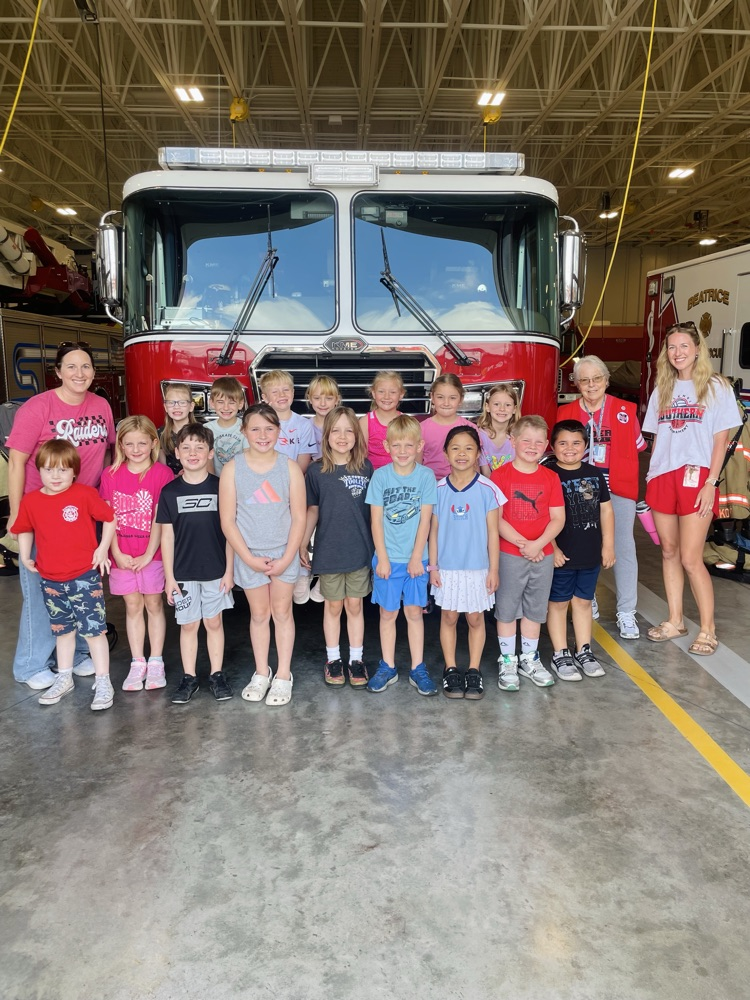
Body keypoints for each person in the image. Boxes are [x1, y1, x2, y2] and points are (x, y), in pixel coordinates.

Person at [6, 341, 116, 689]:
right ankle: (30, 664)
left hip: (85, 516)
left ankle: (81, 653)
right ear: (57, 372)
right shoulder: (38, 408)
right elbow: (17, 464)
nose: (79, 373)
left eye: (86, 366)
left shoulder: (101, 405)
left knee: (85, 590)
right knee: (42, 592)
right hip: (44, 517)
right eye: (71, 366)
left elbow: (111, 453)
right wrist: (15, 514)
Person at [643, 322, 739, 656]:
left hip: (697, 477)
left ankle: (708, 629)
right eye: (671, 347)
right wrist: (651, 477)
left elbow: (720, 442)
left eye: (684, 346)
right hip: (662, 477)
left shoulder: (716, 387)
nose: (678, 353)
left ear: (698, 349)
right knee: (668, 551)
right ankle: (675, 620)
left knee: (690, 557)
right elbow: (657, 440)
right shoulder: (662, 388)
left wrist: (711, 484)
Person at [12, 440, 117, 710]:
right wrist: (25, 556)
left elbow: (109, 517)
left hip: (83, 576)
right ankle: (65, 677)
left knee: (94, 632)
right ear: (39, 471)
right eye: (48, 470)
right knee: (63, 631)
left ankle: (104, 681)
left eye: (62, 470)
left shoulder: (83, 495)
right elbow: (25, 528)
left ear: (74, 471)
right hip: (50, 579)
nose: (55, 476)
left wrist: (103, 549)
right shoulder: (32, 500)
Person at [219, 404, 306, 707]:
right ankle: (261, 671)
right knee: (259, 615)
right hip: (250, 555)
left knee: (282, 613)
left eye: (269, 428)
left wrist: (287, 556)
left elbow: (299, 517)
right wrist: (248, 558)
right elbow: (227, 520)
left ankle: (283, 674)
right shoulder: (233, 469)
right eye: (255, 428)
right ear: (243, 431)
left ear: (279, 432)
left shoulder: (289, 467)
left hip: (284, 552)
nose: (262, 435)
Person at [557, 355, 646, 639]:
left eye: (597, 379)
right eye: (584, 380)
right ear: (577, 384)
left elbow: (638, 447)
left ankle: (626, 612)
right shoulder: (565, 411)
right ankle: (587, 597)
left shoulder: (625, 410)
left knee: (623, 548)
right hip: (576, 489)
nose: (591, 385)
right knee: (579, 544)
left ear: (607, 380)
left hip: (616, 489)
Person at [157, 423, 235, 703]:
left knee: (214, 622)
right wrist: (169, 577)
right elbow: (166, 537)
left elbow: (230, 533)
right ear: (176, 452)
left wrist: (229, 570)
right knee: (189, 625)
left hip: (215, 571)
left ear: (211, 452)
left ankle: (216, 674)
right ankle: (189, 677)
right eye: (186, 448)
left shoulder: (221, 487)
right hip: (183, 573)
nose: (193, 453)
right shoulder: (169, 493)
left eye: (200, 447)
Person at [99, 415, 174, 691]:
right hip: (122, 555)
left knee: (154, 605)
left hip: (151, 556)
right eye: (129, 444)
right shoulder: (110, 475)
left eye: (142, 443)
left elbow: (159, 519)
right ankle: (137, 661)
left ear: (153, 443)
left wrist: (149, 554)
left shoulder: (162, 475)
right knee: (132, 606)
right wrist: (115, 552)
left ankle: (156, 661)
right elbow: (109, 516)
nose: (136, 449)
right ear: (121, 444)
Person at [300, 406, 374, 687]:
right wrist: (303, 542)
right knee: (332, 606)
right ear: (326, 435)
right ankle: (333, 659)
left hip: (359, 550)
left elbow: (374, 512)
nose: (342, 436)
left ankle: (356, 659)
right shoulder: (317, 471)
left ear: (356, 435)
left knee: (354, 605)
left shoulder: (366, 467)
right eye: (336, 431)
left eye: (348, 430)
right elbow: (313, 510)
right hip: (329, 551)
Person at [490, 415, 565, 691]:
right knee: (507, 608)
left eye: (538, 442)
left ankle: (529, 658)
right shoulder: (500, 476)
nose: (532, 446)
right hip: (510, 553)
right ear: (513, 441)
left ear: (546, 445)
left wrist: (539, 545)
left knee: (535, 608)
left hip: (542, 555)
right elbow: (496, 519)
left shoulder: (551, 477)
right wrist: (526, 544)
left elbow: (557, 518)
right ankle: (507, 659)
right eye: (526, 440)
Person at [365, 415, 438, 695]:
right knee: (387, 613)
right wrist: (382, 558)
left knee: (414, 613)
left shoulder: (426, 476)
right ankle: (388, 666)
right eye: (397, 445)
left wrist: (417, 557)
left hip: (415, 560)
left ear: (420, 446)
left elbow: (426, 520)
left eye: (409, 445)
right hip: (388, 559)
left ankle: (418, 668)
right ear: (386, 446)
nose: (403, 451)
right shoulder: (381, 476)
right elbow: (376, 520)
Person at [428, 427, 502, 700]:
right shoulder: (436, 489)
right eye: (455, 448)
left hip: (478, 568)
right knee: (448, 616)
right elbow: (433, 532)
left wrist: (493, 569)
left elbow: (494, 533)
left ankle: (473, 669)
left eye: (469, 448)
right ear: (446, 453)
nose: (462, 453)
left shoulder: (488, 488)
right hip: (447, 568)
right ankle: (450, 668)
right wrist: (433, 567)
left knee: (474, 617)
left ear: (479, 453)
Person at [546, 419, 614, 681]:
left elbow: (606, 509)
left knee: (584, 602)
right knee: (559, 603)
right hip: (561, 553)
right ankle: (560, 653)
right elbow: (542, 515)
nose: (570, 448)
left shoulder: (595, 474)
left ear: (586, 446)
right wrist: (551, 547)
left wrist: (607, 545)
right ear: (552, 446)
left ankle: (584, 650)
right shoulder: (549, 474)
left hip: (589, 551)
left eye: (576, 443)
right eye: (563, 443)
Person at [419, 373, 491, 479]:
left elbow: (474, 464)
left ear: (461, 399)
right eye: (440, 397)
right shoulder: (421, 429)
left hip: (462, 484)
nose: (446, 403)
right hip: (431, 485)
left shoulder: (470, 428)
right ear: (432, 398)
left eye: (452, 398)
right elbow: (417, 465)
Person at [259, 370, 317, 474]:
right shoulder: (259, 424)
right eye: (274, 392)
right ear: (265, 398)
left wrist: (293, 480)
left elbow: (303, 461)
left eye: (286, 390)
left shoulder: (304, 424)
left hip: (294, 479)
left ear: (293, 392)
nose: (281, 395)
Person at [359, 370, 405, 470]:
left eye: (392, 392)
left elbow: (414, 455)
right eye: (381, 391)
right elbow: (361, 457)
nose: (386, 397)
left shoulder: (406, 421)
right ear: (374, 393)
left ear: (401, 395)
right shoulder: (365, 422)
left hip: (401, 476)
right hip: (373, 477)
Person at [205, 376, 247, 476]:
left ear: (240, 404)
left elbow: (248, 459)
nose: (226, 407)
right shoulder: (206, 429)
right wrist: (213, 485)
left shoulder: (246, 428)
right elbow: (207, 461)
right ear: (212, 403)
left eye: (231, 402)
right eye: (220, 402)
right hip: (215, 483)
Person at [477, 382, 520, 472]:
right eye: (496, 404)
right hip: (489, 483)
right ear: (487, 407)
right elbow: (485, 473)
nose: (502, 409)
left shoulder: (518, 436)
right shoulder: (480, 435)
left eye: (507, 405)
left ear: (514, 409)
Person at [158, 382, 196, 475]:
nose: (176, 407)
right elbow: (162, 468)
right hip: (172, 481)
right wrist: (175, 476)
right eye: (171, 402)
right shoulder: (160, 433)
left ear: (191, 406)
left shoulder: (201, 432)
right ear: (165, 407)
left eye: (182, 402)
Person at [304, 375, 341, 461]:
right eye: (317, 398)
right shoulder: (305, 426)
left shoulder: (344, 426)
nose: (323, 403)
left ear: (336, 400)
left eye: (329, 398)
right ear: (310, 399)